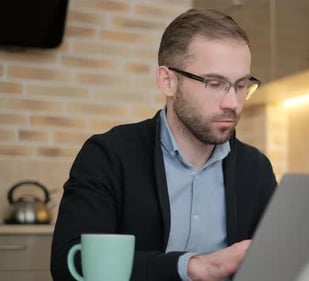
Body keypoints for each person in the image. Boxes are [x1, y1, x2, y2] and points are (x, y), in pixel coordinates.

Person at [50, 8, 277, 281]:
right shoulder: (108, 155)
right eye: (214, 83)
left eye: (241, 85)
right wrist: (193, 266)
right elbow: (69, 263)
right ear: (167, 81)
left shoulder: (257, 169)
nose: (232, 102)